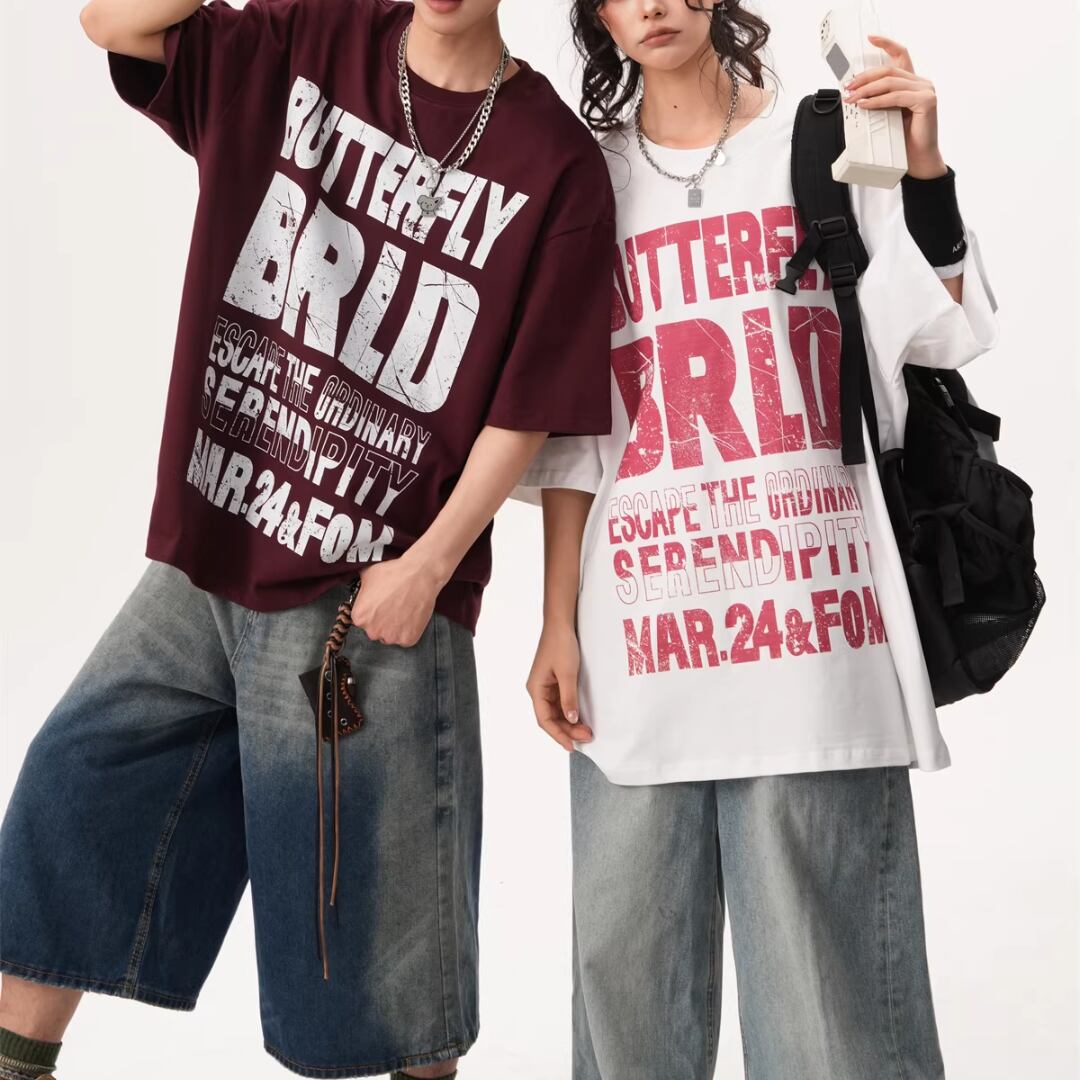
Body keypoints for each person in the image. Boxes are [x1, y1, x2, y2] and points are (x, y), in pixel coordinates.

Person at [0, 1, 614, 1078]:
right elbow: (113, 22)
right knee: (62, 837)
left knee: (376, 966)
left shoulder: (555, 160)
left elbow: (529, 407)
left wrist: (427, 568)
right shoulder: (310, 39)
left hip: (367, 603)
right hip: (213, 557)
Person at [520, 1, 999, 1077]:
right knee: (624, 1008)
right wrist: (557, 620)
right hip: (640, 641)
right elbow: (574, 434)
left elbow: (946, 328)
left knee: (834, 1031)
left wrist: (923, 168)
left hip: (816, 641)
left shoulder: (820, 141)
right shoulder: (582, 179)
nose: (651, 5)